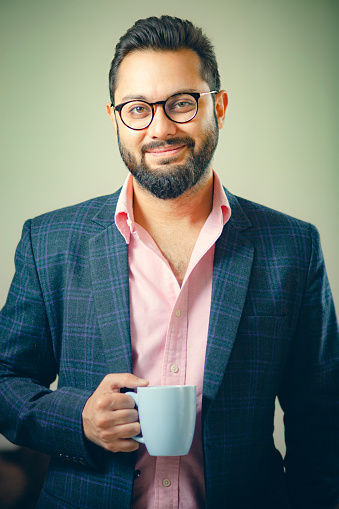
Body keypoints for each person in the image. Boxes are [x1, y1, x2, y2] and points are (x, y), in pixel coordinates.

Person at [0, 14, 338, 509]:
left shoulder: (292, 247)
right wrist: (76, 419)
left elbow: (322, 418)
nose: (160, 128)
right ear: (115, 117)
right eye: (138, 108)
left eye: (182, 103)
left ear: (218, 106)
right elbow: (5, 380)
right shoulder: (48, 241)